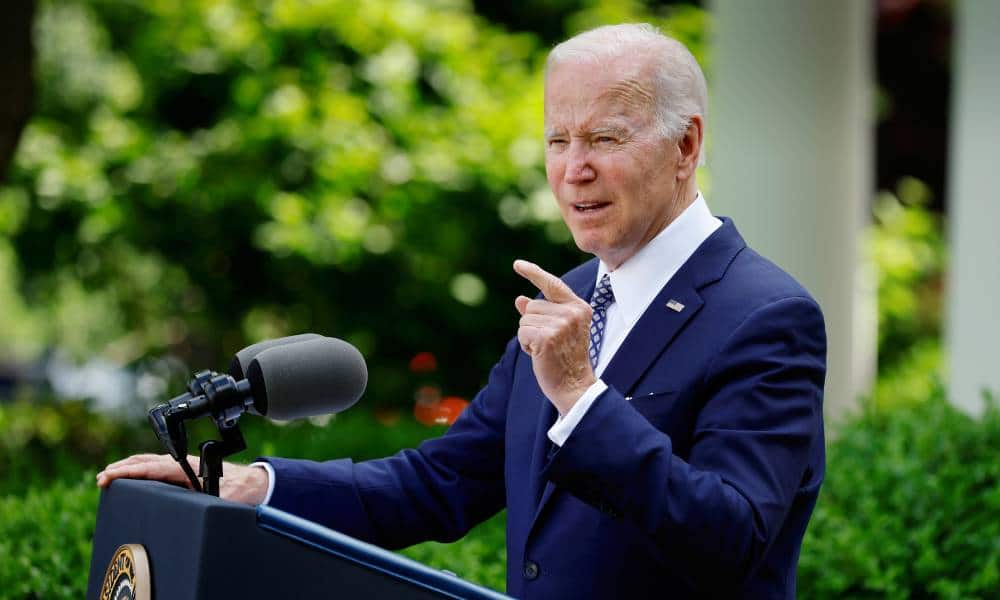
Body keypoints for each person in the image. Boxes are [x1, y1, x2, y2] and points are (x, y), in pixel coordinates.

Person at [98, 24, 826, 599]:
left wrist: (580, 396)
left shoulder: (766, 316)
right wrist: (257, 485)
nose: (574, 169)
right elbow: (440, 484)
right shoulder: (569, 296)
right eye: (557, 139)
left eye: (605, 138)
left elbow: (733, 541)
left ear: (686, 145)